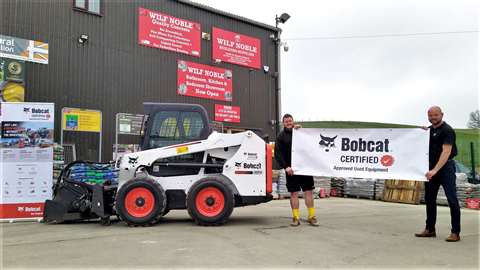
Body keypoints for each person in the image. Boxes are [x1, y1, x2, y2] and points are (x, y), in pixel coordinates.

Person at [415, 106, 461, 242]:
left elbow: (446, 152)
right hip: (431, 169)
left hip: (445, 168)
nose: (433, 118)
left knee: (452, 200)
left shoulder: (448, 131)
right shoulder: (428, 131)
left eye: (435, 115)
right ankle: (430, 229)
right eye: (430, 115)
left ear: (441, 114)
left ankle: (455, 232)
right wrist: (420, 132)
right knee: (429, 199)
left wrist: (435, 170)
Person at [275, 113, 318, 227]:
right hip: (291, 170)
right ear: (283, 123)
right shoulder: (281, 136)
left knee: (308, 192)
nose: (289, 123)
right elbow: (278, 154)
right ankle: (295, 218)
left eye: (290, 120)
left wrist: (303, 131)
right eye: (286, 121)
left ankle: (312, 216)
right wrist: (286, 167)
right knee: (294, 193)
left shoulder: (300, 132)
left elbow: (311, 144)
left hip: (305, 168)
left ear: (293, 121)